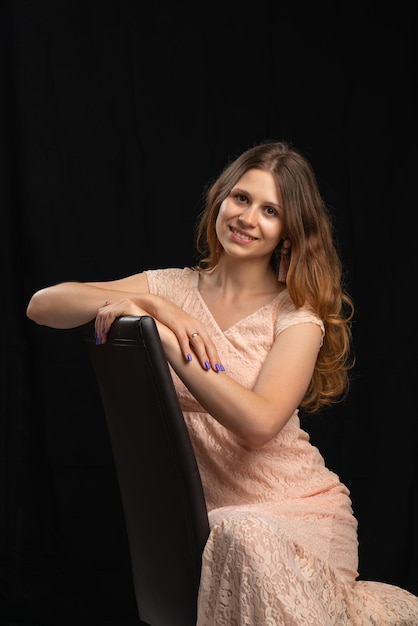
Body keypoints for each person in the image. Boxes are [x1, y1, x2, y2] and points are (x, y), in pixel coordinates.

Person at [27, 140, 418, 625]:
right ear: (220, 201)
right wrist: (159, 307)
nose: (248, 218)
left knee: (244, 532)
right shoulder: (169, 287)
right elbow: (43, 304)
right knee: (235, 530)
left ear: (289, 231)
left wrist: (168, 344)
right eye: (241, 198)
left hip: (298, 511)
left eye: (270, 210)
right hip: (210, 519)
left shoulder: (296, 313)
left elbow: (259, 423)